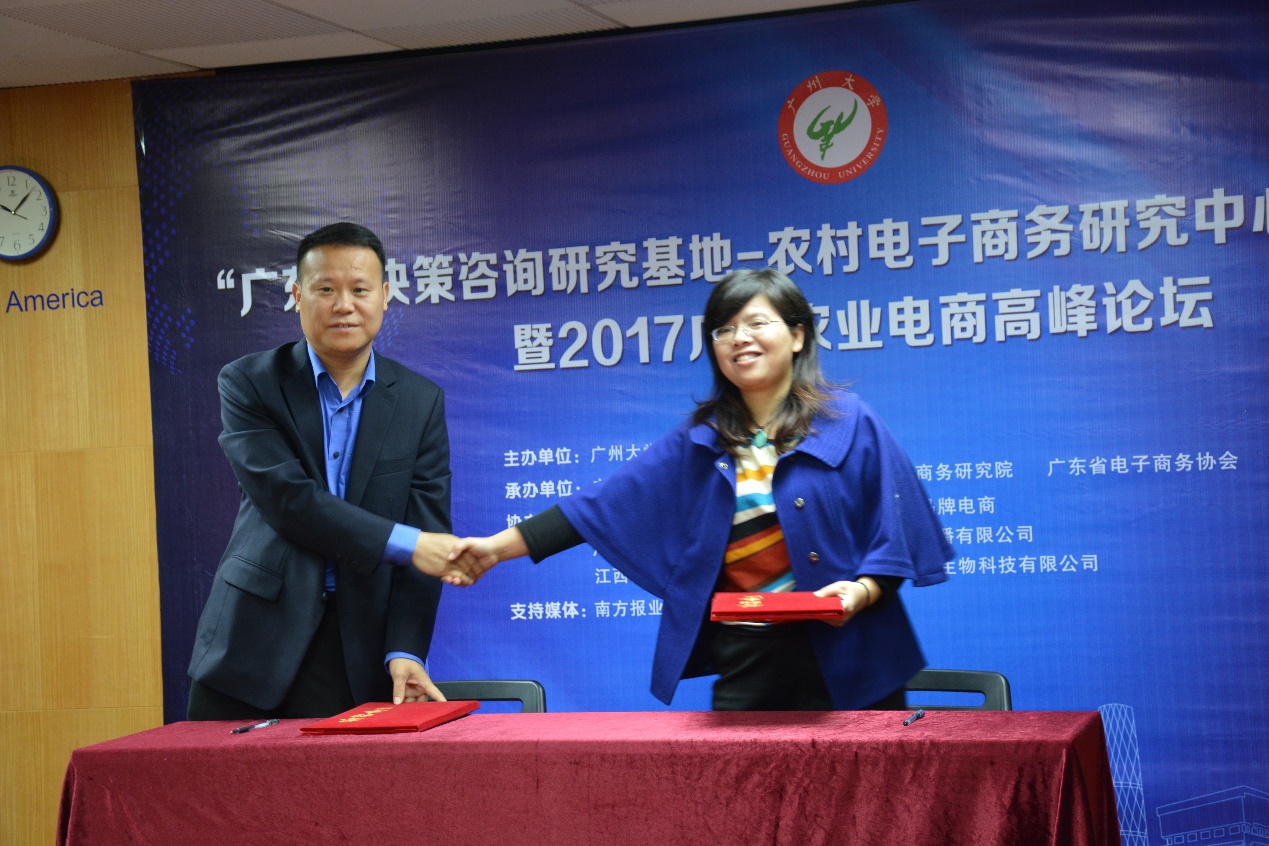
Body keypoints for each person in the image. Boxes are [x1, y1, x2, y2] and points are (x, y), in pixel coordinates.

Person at [450, 268, 952, 710]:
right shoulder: (701, 440)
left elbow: (896, 537)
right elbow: (596, 509)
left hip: (859, 658)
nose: (739, 338)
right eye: (724, 329)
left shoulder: (850, 422)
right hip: (748, 660)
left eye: (756, 323)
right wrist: (494, 549)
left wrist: (860, 592)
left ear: (797, 335)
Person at [187, 222, 476, 720]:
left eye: (360, 289)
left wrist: (406, 649)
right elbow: (289, 501)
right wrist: (410, 543)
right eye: (325, 289)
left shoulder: (420, 401)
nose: (344, 305)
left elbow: (428, 528)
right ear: (297, 296)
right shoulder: (249, 383)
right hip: (252, 640)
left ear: (385, 296)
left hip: (361, 647)